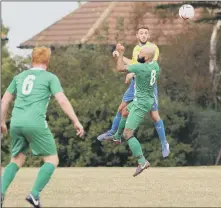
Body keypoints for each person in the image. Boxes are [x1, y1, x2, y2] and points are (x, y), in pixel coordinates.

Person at [1, 47, 84, 208]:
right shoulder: (50, 77)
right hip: (35, 122)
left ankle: (0, 192)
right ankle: (34, 194)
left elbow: (4, 101)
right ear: (47, 60)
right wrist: (75, 121)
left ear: (32, 59)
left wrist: (2, 122)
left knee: (16, 160)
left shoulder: (19, 76)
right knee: (52, 159)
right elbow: (62, 100)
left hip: (16, 122)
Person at [97, 26, 170, 158]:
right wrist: (120, 56)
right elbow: (135, 64)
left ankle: (164, 143)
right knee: (122, 108)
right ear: (137, 35)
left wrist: (131, 74)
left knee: (154, 115)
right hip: (135, 83)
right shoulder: (137, 49)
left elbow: (147, 67)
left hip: (147, 85)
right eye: (141, 33)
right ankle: (113, 132)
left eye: (146, 33)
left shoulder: (152, 48)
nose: (143, 35)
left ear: (148, 35)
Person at [113, 43, 159, 176]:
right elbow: (138, 66)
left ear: (147, 57)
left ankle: (142, 161)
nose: (138, 55)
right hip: (147, 99)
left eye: (141, 54)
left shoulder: (141, 67)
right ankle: (117, 136)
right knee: (125, 111)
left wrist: (121, 53)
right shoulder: (155, 66)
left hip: (141, 104)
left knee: (128, 134)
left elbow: (120, 68)